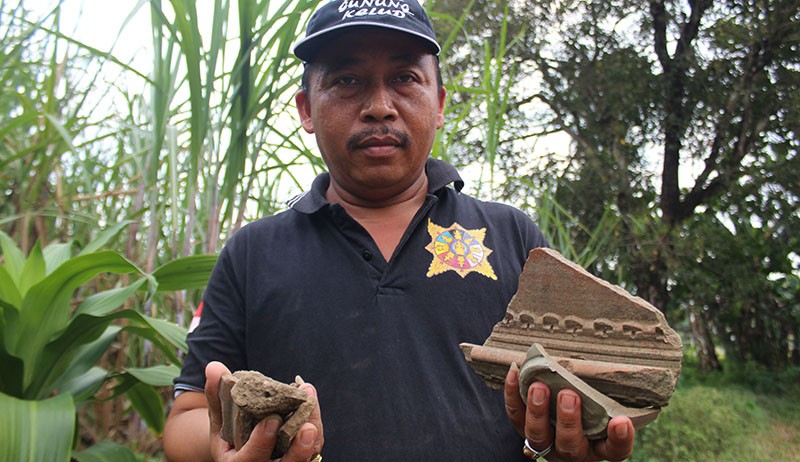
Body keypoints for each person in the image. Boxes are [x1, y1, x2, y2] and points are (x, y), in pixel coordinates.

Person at [162, 1, 636, 461]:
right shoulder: (253, 253)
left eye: (405, 78)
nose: (379, 106)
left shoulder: (514, 236)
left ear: (440, 102)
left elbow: (583, 393)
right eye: (348, 80)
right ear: (306, 109)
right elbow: (186, 416)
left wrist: (564, 442)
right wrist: (227, 448)